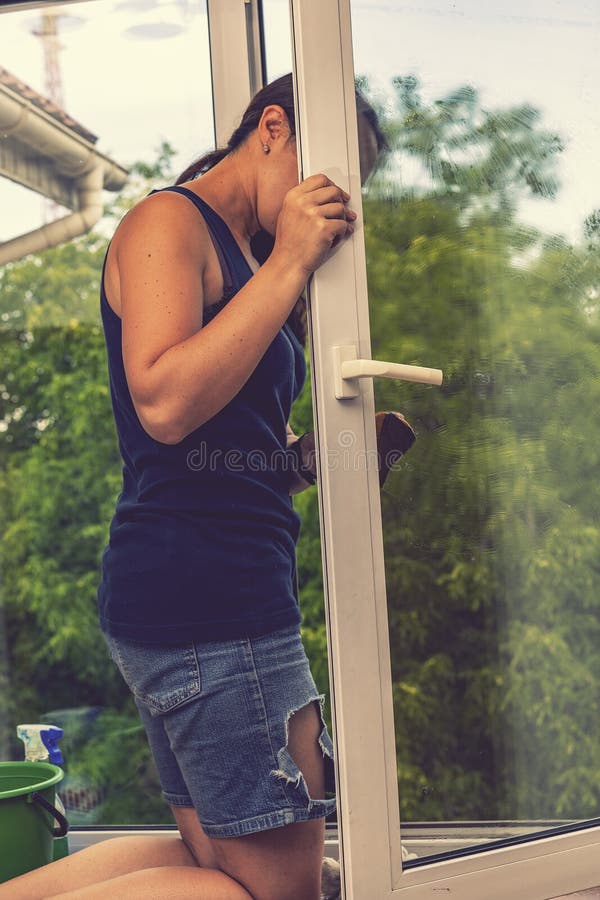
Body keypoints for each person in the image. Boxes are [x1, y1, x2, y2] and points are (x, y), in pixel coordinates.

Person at [1, 73, 414, 900]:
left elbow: (231, 451)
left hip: (200, 598)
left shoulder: (239, 255)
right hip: (213, 607)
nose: (338, 204)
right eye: (332, 173)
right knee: (276, 893)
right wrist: (294, 259)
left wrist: (320, 460)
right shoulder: (167, 223)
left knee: (218, 869)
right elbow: (163, 400)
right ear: (272, 128)